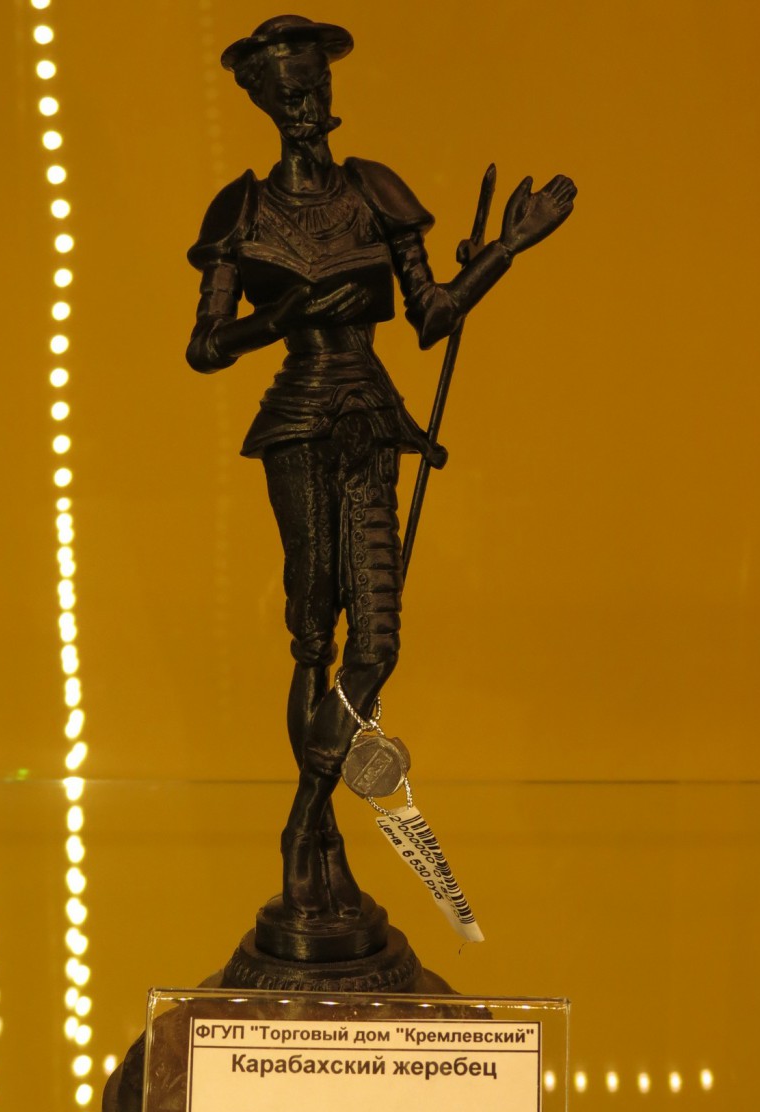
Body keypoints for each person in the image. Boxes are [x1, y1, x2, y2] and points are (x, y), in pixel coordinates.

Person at [186, 16, 576, 930]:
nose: (309, 106)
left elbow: (432, 314)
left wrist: (509, 248)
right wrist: (282, 319)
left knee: (378, 641)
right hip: (297, 420)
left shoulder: (374, 190)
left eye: (317, 88)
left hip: (368, 413)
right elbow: (204, 345)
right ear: (266, 102)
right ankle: (320, 850)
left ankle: (303, 822)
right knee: (312, 630)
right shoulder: (242, 210)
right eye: (292, 94)